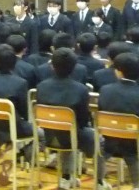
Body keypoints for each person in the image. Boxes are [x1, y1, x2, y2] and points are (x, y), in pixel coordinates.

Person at [36, 48, 109, 190]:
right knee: (99, 140)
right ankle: (100, 181)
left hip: (49, 136)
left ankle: (66, 177)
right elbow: (82, 121)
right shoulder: (81, 89)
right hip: (73, 135)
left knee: (66, 132)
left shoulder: (41, 86)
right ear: (74, 67)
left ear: (52, 66)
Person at [0, 44, 34, 160]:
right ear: (14, 63)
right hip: (14, 128)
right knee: (41, 134)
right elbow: (24, 113)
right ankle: (24, 157)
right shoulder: (20, 83)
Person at [98, 52, 139, 190]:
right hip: (133, 140)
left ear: (119, 72)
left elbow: (101, 111)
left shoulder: (105, 90)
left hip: (108, 138)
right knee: (131, 153)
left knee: (102, 150)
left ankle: (99, 181)